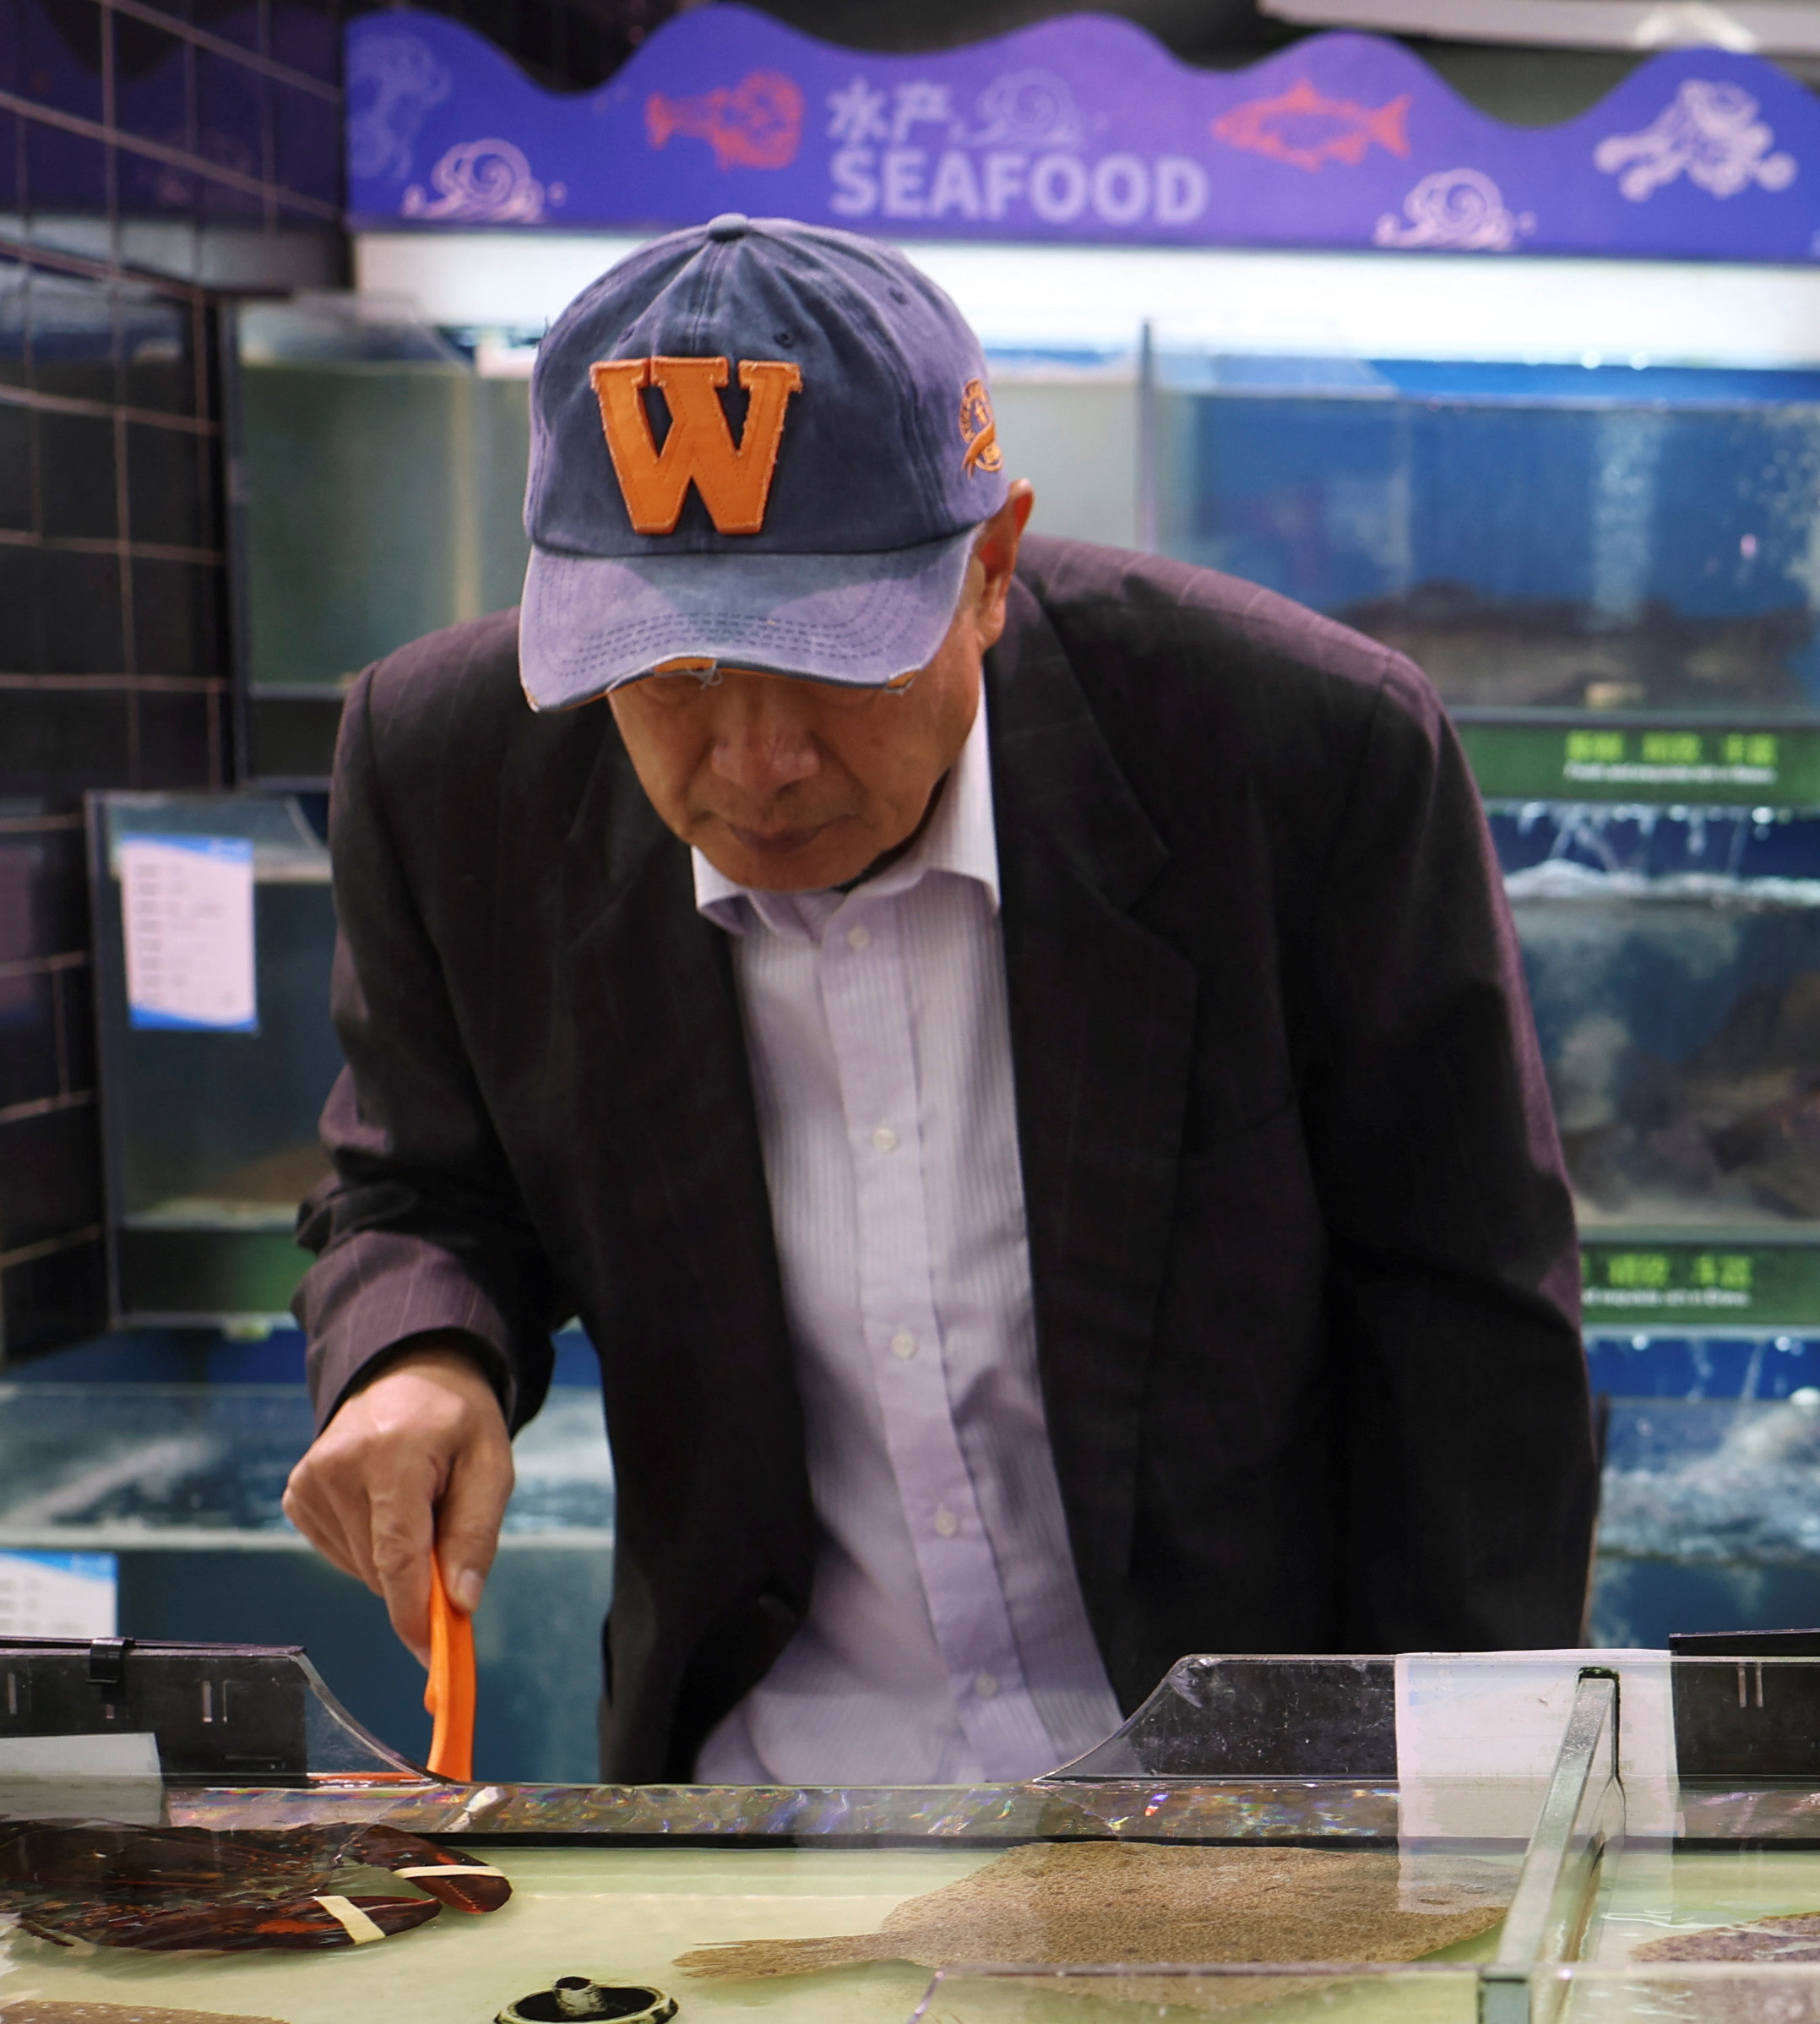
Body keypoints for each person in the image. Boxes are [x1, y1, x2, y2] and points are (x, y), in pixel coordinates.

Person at [284, 215, 1594, 1782]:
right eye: (674, 672)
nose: (756, 761)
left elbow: (1472, 1336)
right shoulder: (451, 772)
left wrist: (1452, 1814)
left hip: (1239, 1793)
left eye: (835, 666)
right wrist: (420, 1356)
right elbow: (418, 1185)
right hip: (762, 1801)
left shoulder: (1300, 756)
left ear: (987, 568)